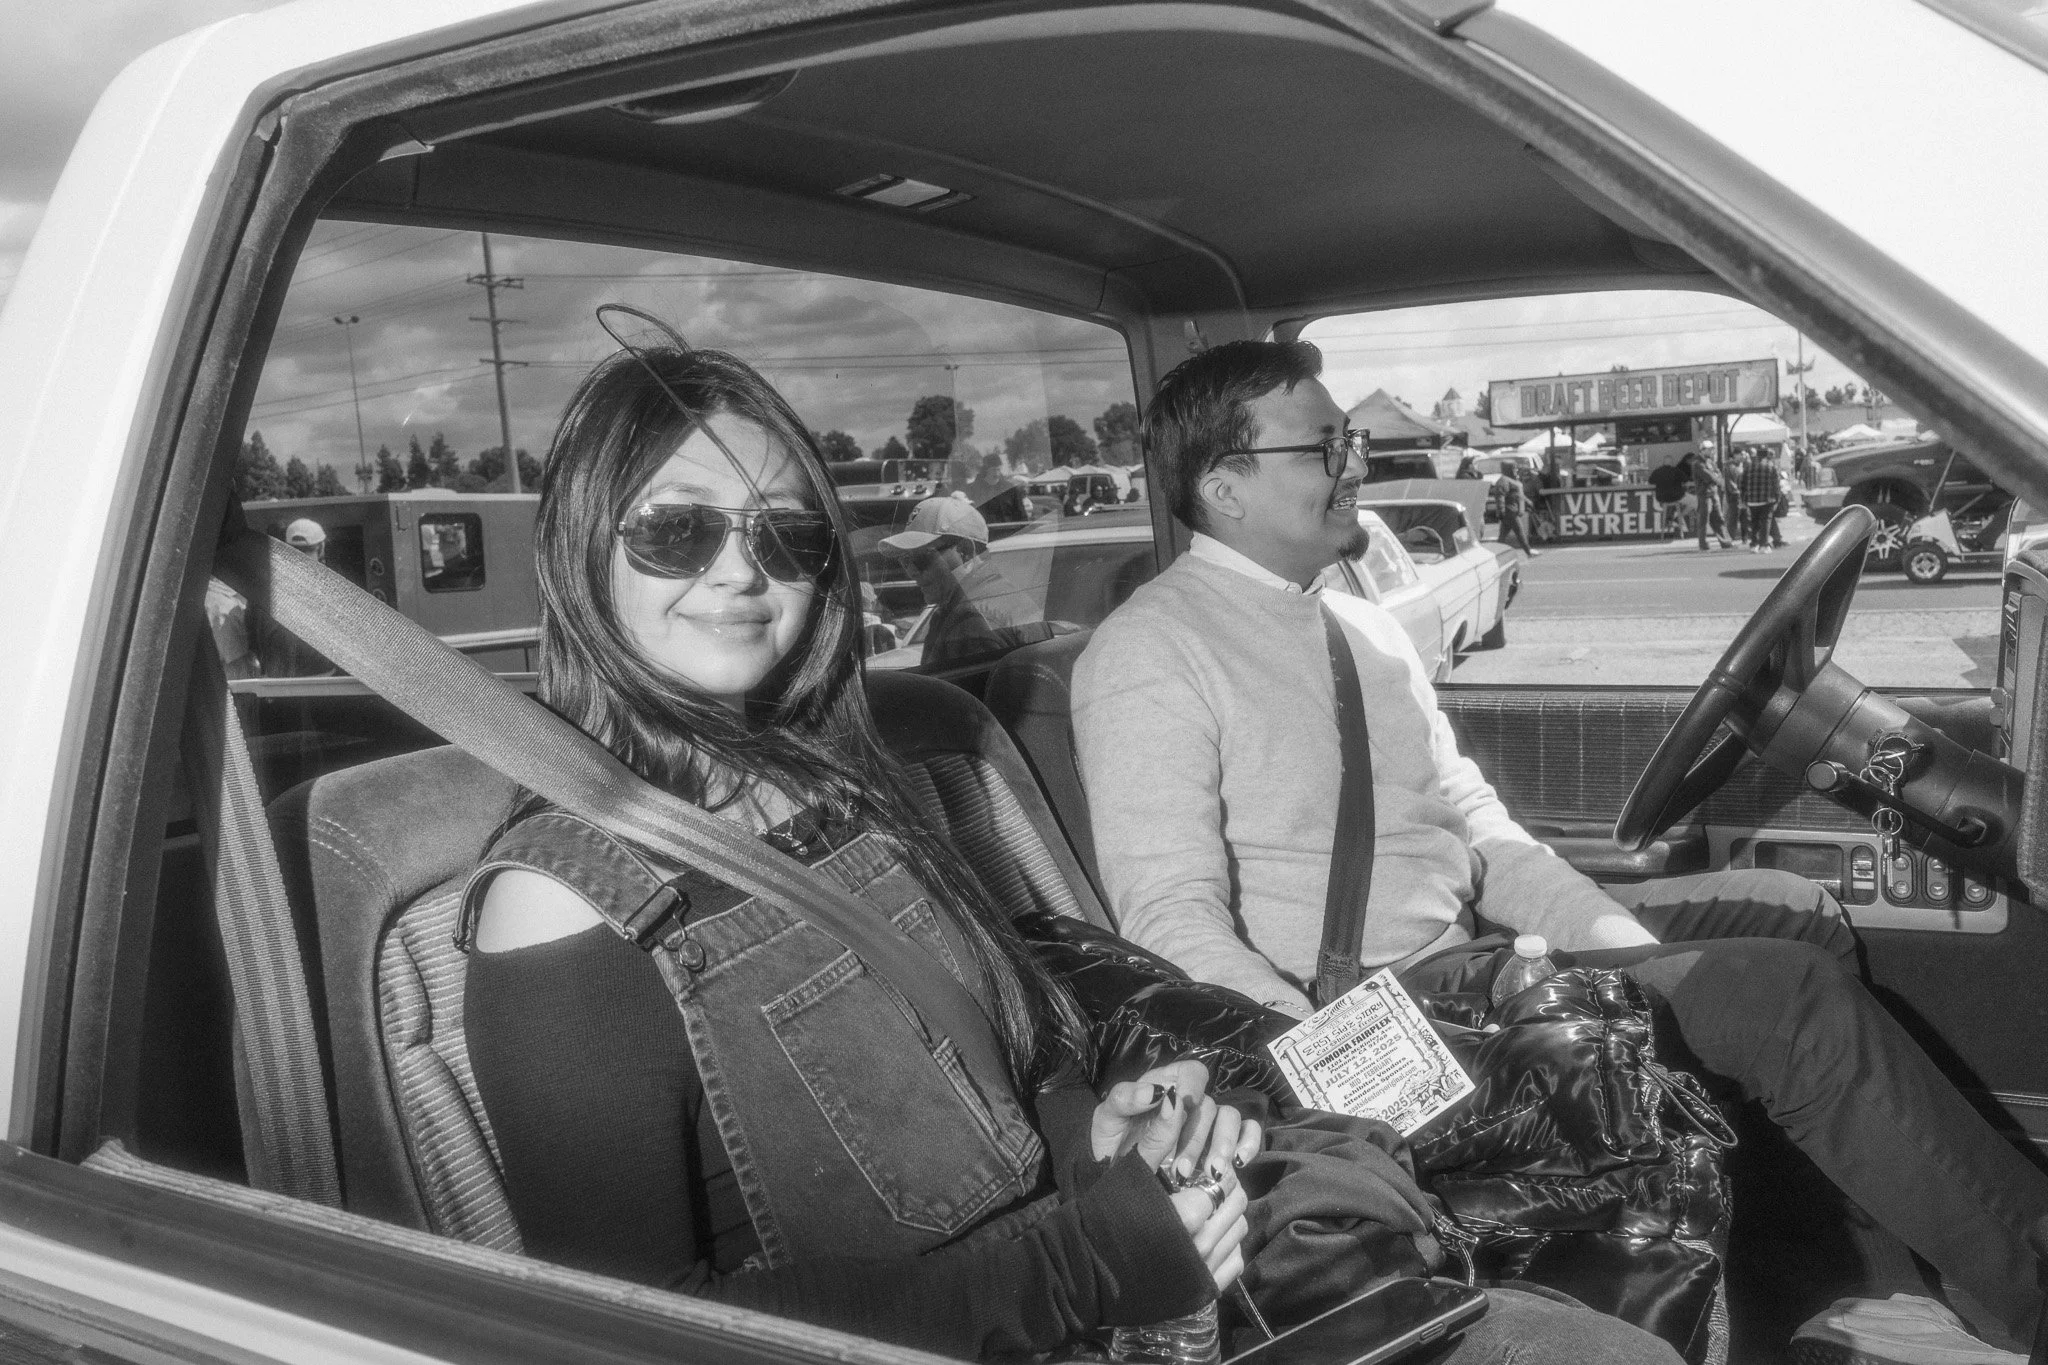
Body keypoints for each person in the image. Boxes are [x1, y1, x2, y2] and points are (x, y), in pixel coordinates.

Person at [458, 338, 1677, 1365]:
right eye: (676, 531)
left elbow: (971, 1098)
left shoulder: (834, 794)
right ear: (582, 546)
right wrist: (1084, 1266)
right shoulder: (561, 905)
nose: (740, 571)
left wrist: (1102, 1126)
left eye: (787, 536)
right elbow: (618, 1331)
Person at [1070, 338, 2048, 1361]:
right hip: (1360, 1031)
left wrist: (1610, 940)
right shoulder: (1148, 651)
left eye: (1350, 439)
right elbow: (1169, 925)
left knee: (1783, 913)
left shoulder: (1360, 630)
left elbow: (1479, 832)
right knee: (1779, 999)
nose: (1356, 464)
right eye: (1324, 446)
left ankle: (1831, 1265)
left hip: (1467, 970)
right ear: (1224, 485)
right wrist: (1338, 1065)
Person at [882, 492, 1037, 667]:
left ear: (964, 551)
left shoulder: (971, 621)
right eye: (905, 560)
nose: (911, 572)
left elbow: (966, 693)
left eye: (921, 558)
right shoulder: (1007, 597)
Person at [1690, 441, 1733, 551]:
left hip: (1714, 493)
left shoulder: (1710, 461)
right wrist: (1718, 480)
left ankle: (1726, 542)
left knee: (1719, 518)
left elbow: (1718, 473)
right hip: (1704, 494)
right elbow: (1709, 477)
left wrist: (1717, 478)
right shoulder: (1697, 463)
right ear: (1702, 450)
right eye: (1709, 449)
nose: (1711, 451)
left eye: (1711, 449)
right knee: (1704, 519)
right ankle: (1703, 544)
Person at [1742, 443, 1783, 552]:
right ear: (1766, 454)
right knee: (1765, 522)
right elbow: (1776, 484)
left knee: (1754, 523)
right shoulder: (1771, 466)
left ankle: (1754, 544)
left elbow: (1743, 484)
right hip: (1767, 499)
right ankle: (1763, 545)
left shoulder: (1749, 467)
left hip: (1752, 500)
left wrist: (1744, 499)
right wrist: (1778, 498)